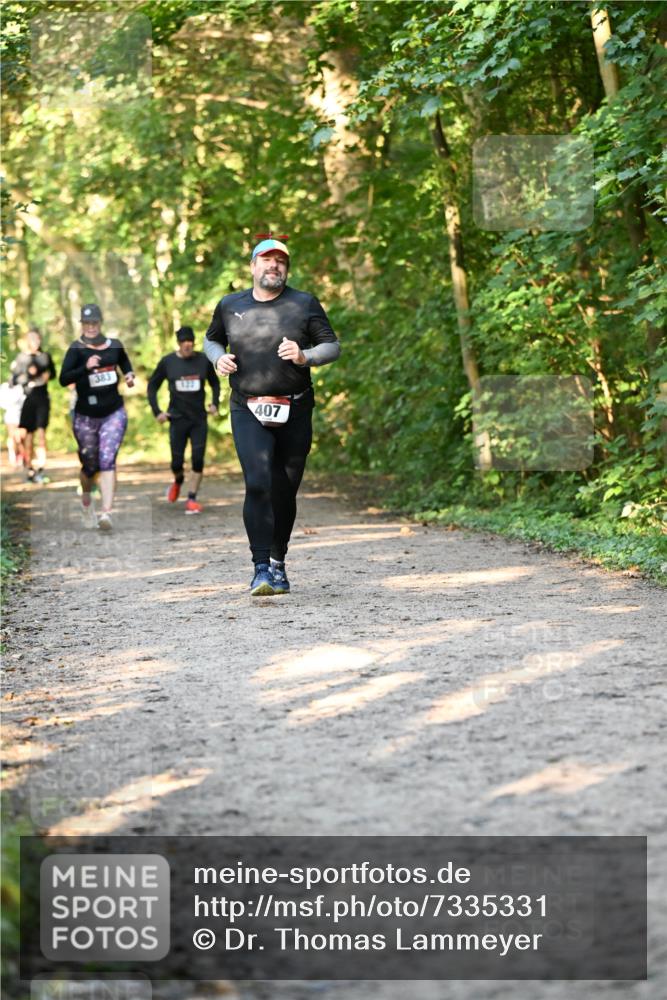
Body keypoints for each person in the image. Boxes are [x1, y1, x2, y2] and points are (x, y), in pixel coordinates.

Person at [204, 236, 340, 596]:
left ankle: (279, 561)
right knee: (259, 482)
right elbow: (211, 340)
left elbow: (332, 346)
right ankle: (261, 567)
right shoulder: (230, 305)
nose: (273, 266)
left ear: (286, 269)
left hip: (295, 407)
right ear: (252, 266)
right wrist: (218, 358)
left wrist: (304, 356)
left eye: (280, 261)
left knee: (285, 490)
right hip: (247, 406)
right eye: (266, 259)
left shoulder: (304, 303)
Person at [59, 303, 135, 531]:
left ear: (100, 323)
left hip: (113, 412)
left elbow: (125, 364)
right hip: (85, 415)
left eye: (94, 323)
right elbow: (63, 379)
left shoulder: (115, 346)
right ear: (81, 325)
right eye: (86, 323)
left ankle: (106, 513)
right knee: (90, 465)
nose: (90, 327)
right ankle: (86, 496)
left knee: (107, 459)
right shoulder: (76, 349)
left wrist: (129, 375)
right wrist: (85, 367)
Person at [147, 326, 220, 514]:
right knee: (176, 463)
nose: (187, 345)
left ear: (193, 342)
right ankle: (178, 481)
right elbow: (152, 386)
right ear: (178, 343)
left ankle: (192, 498)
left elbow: (215, 383)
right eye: (183, 341)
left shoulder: (203, 360)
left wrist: (214, 404)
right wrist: (157, 412)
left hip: (198, 420)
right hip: (177, 419)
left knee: (197, 460)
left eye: (190, 341)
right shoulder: (168, 362)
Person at [10, 328, 56, 483]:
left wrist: (45, 376)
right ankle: (30, 468)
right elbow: (14, 380)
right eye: (31, 339)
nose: (35, 342)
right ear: (27, 341)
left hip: (42, 399)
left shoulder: (45, 357)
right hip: (27, 400)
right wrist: (29, 376)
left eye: (37, 339)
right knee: (27, 436)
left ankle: (41, 468)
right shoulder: (22, 358)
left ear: (40, 340)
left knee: (41, 433)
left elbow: (53, 374)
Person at [0, 379, 25, 467]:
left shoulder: (19, 386)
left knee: (17, 437)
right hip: (13, 415)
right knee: (14, 437)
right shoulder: (5, 387)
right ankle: (15, 456)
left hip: (17, 415)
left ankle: (18, 456)